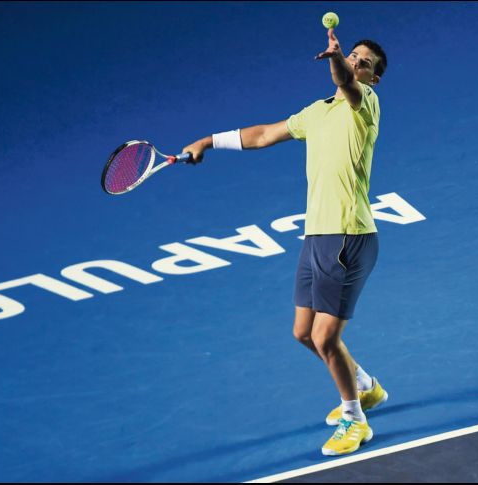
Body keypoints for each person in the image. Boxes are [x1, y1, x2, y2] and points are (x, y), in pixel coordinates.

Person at [181, 28, 388, 456]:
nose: (355, 63)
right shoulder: (316, 112)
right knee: (303, 333)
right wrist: (207, 142)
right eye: (352, 55)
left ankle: (356, 419)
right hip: (316, 235)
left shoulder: (364, 103)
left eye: (363, 62)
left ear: (373, 79)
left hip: (349, 236)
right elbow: (262, 135)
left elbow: (345, 83)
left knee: (326, 338)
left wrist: (335, 60)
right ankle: (365, 386)